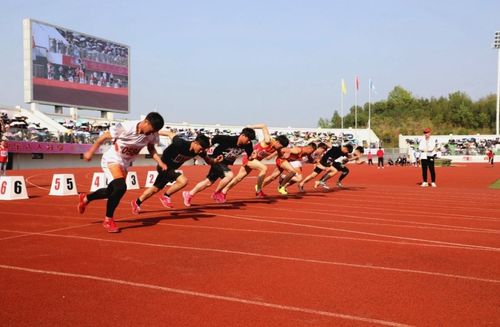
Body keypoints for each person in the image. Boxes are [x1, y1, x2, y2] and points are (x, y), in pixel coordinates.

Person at [77, 112, 165, 233]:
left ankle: (86, 198)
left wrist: (160, 162)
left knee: (110, 192)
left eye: (154, 131)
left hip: (125, 164)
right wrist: (90, 152)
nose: (151, 133)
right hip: (112, 158)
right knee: (120, 187)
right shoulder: (125, 127)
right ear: (146, 122)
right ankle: (108, 220)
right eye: (151, 130)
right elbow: (103, 137)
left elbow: (151, 148)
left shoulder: (153, 135)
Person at [131, 131, 215, 214]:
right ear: (195, 143)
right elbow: (170, 133)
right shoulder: (180, 143)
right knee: (183, 181)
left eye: (203, 150)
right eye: (201, 149)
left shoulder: (200, 152)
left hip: (170, 169)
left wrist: (215, 160)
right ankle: (166, 196)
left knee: (155, 189)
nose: (201, 151)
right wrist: (154, 132)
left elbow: (208, 161)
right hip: (163, 166)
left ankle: (136, 203)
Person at [181, 128, 256, 207]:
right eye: (248, 139)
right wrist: (207, 147)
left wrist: (253, 157)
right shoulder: (229, 139)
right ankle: (217, 193)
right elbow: (215, 138)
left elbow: (249, 157)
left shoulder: (248, 144)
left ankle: (189, 194)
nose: (249, 141)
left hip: (225, 164)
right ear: (243, 135)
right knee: (229, 175)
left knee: (208, 182)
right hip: (216, 160)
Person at [218, 125, 289, 200]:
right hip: (249, 158)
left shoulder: (276, 148)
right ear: (277, 142)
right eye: (281, 146)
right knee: (264, 168)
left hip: (254, 161)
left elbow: (270, 158)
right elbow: (264, 126)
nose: (280, 148)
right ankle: (258, 190)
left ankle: (223, 192)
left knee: (238, 178)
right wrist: (250, 126)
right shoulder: (268, 140)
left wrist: (280, 155)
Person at [261, 142, 326, 194]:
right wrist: (270, 156)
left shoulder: (306, 152)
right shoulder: (298, 150)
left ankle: (259, 187)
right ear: (310, 148)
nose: (312, 153)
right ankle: (282, 184)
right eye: (312, 151)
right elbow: (283, 149)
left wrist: (316, 161)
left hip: (285, 161)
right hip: (282, 160)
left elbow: (311, 160)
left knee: (273, 177)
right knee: (296, 175)